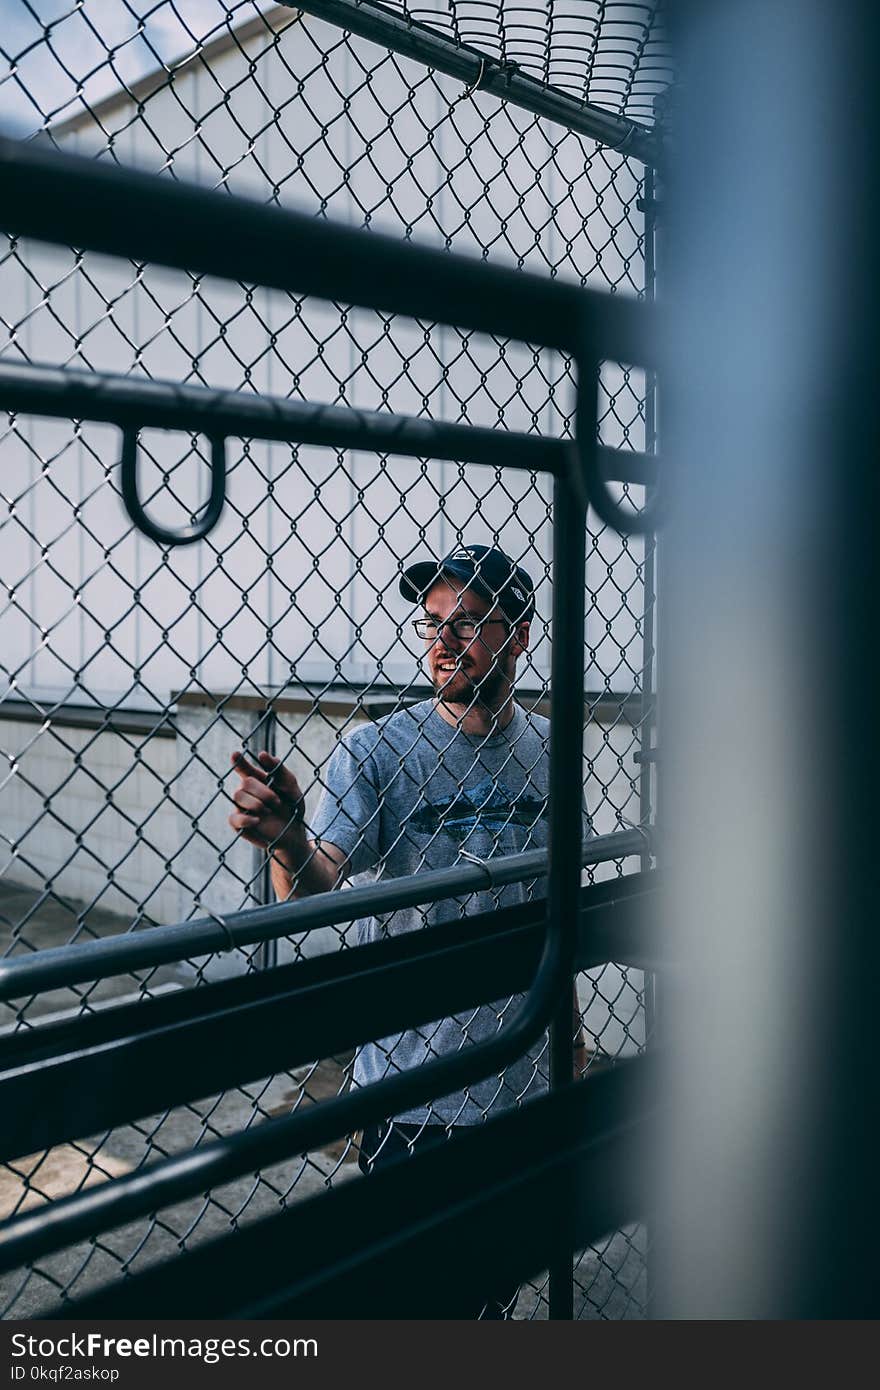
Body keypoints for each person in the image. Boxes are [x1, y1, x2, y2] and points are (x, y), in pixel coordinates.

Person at [229, 542, 588, 1318]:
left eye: (467, 623)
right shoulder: (377, 749)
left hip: (522, 1078)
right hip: (413, 1095)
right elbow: (317, 884)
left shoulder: (551, 751)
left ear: (519, 636)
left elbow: (550, 902)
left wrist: (573, 1025)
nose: (442, 640)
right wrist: (290, 839)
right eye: (431, 624)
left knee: (493, 1292)